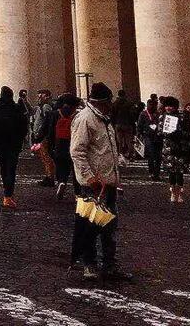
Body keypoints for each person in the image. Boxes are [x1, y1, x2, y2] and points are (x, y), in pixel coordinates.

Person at [69, 82, 130, 283]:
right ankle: (89, 265)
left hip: (108, 183)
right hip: (93, 185)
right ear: (101, 102)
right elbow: (77, 152)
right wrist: (89, 178)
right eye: (108, 101)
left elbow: (107, 150)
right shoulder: (85, 119)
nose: (111, 105)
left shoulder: (104, 119)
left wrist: (116, 175)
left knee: (109, 226)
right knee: (90, 227)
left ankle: (109, 265)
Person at [0, 86, 27, 208]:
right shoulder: (16, 108)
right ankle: (8, 195)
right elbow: (24, 127)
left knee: (3, 169)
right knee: (11, 170)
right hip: (13, 145)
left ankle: (7, 192)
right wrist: (20, 139)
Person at [159, 96, 190, 204]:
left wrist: (178, 133)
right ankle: (172, 192)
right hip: (168, 148)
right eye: (167, 106)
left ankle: (178, 193)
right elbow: (160, 131)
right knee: (171, 172)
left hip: (179, 148)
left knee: (179, 172)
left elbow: (188, 132)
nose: (168, 108)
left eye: (171, 106)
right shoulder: (162, 117)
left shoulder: (181, 117)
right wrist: (164, 132)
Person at [30, 89, 56, 186]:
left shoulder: (46, 106)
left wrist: (42, 134)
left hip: (44, 136)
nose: (39, 98)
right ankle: (48, 175)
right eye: (39, 96)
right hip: (41, 135)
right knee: (44, 157)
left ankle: (50, 177)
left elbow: (47, 121)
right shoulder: (41, 107)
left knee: (46, 157)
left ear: (47, 96)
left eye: (42, 96)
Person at [138, 96, 163, 180]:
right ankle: (152, 172)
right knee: (151, 155)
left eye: (154, 106)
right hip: (148, 136)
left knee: (158, 156)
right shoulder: (143, 114)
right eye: (150, 105)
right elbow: (140, 125)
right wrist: (140, 134)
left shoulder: (158, 114)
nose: (152, 107)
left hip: (158, 136)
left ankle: (157, 173)